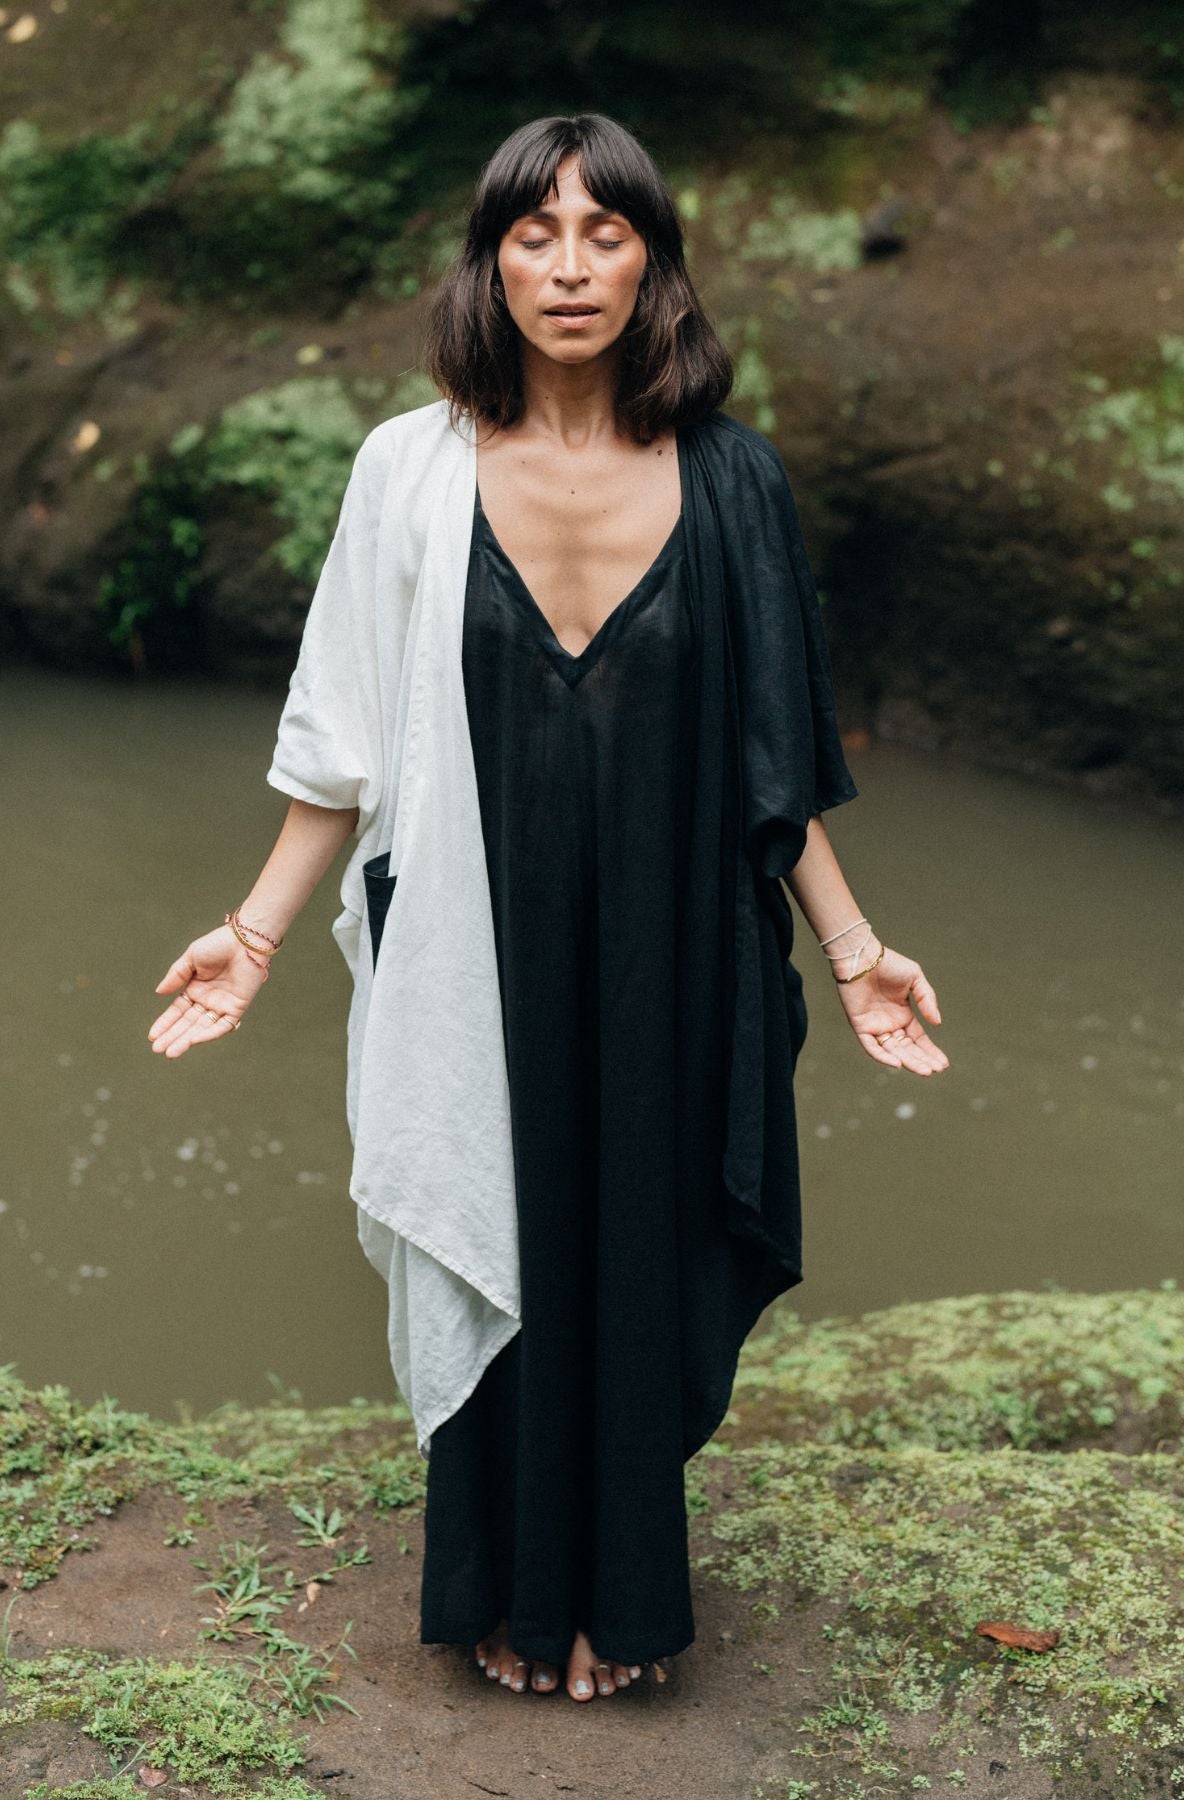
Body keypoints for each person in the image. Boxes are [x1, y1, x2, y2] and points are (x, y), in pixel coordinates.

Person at [148, 112, 948, 1707]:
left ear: (654, 258)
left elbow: (771, 770)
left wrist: (857, 957)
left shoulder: (732, 481)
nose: (569, 267)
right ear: (490, 256)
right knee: (497, 1237)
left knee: (639, 1245)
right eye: (534, 233)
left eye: (605, 232)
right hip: (474, 937)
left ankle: (621, 1602)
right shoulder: (408, 470)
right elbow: (344, 743)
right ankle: (503, 1595)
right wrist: (250, 935)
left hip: (675, 950)